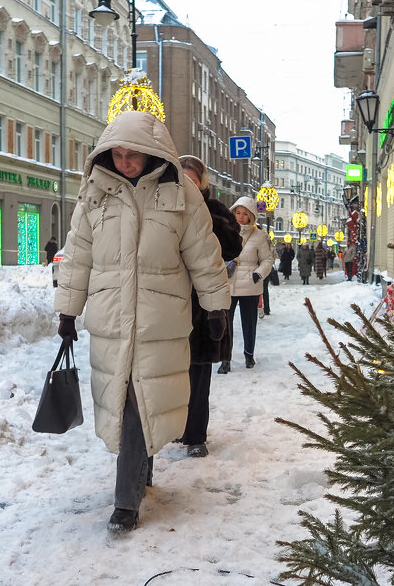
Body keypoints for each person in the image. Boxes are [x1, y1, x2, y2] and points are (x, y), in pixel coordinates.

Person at [53, 112, 231, 534]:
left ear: (152, 153)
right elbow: (78, 255)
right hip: (112, 318)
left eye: (133, 154)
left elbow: (204, 255)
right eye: (117, 153)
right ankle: (138, 474)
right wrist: (67, 310)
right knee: (126, 398)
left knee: (138, 400)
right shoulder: (95, 194)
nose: (125, 161)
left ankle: (126, 502)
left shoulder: (181, 194)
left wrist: (216, 306)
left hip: (159, 320)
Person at [177, 155, 241, 458]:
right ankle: (175, 427)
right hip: (169, 304)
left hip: (203, 306)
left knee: (199, 373)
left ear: (201, 183)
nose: (187, 184)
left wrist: (207, 220)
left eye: (193, 179)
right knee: (172, 373)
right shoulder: (165, 205)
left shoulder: (213, 210)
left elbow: (233, 246)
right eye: (183, 178)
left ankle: (195, 436)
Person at [221, 197, 273, 373]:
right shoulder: (224, 232)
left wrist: (258, 274)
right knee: (225, 324)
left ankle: (249, 355)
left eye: (245, 214)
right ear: (233, 212)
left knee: (249, 323)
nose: (241, 217)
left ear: (251, 216)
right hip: (227, 283)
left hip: (250, 285)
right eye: (238, 213)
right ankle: (225, 359)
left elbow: (267, 259)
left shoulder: (259, 235)